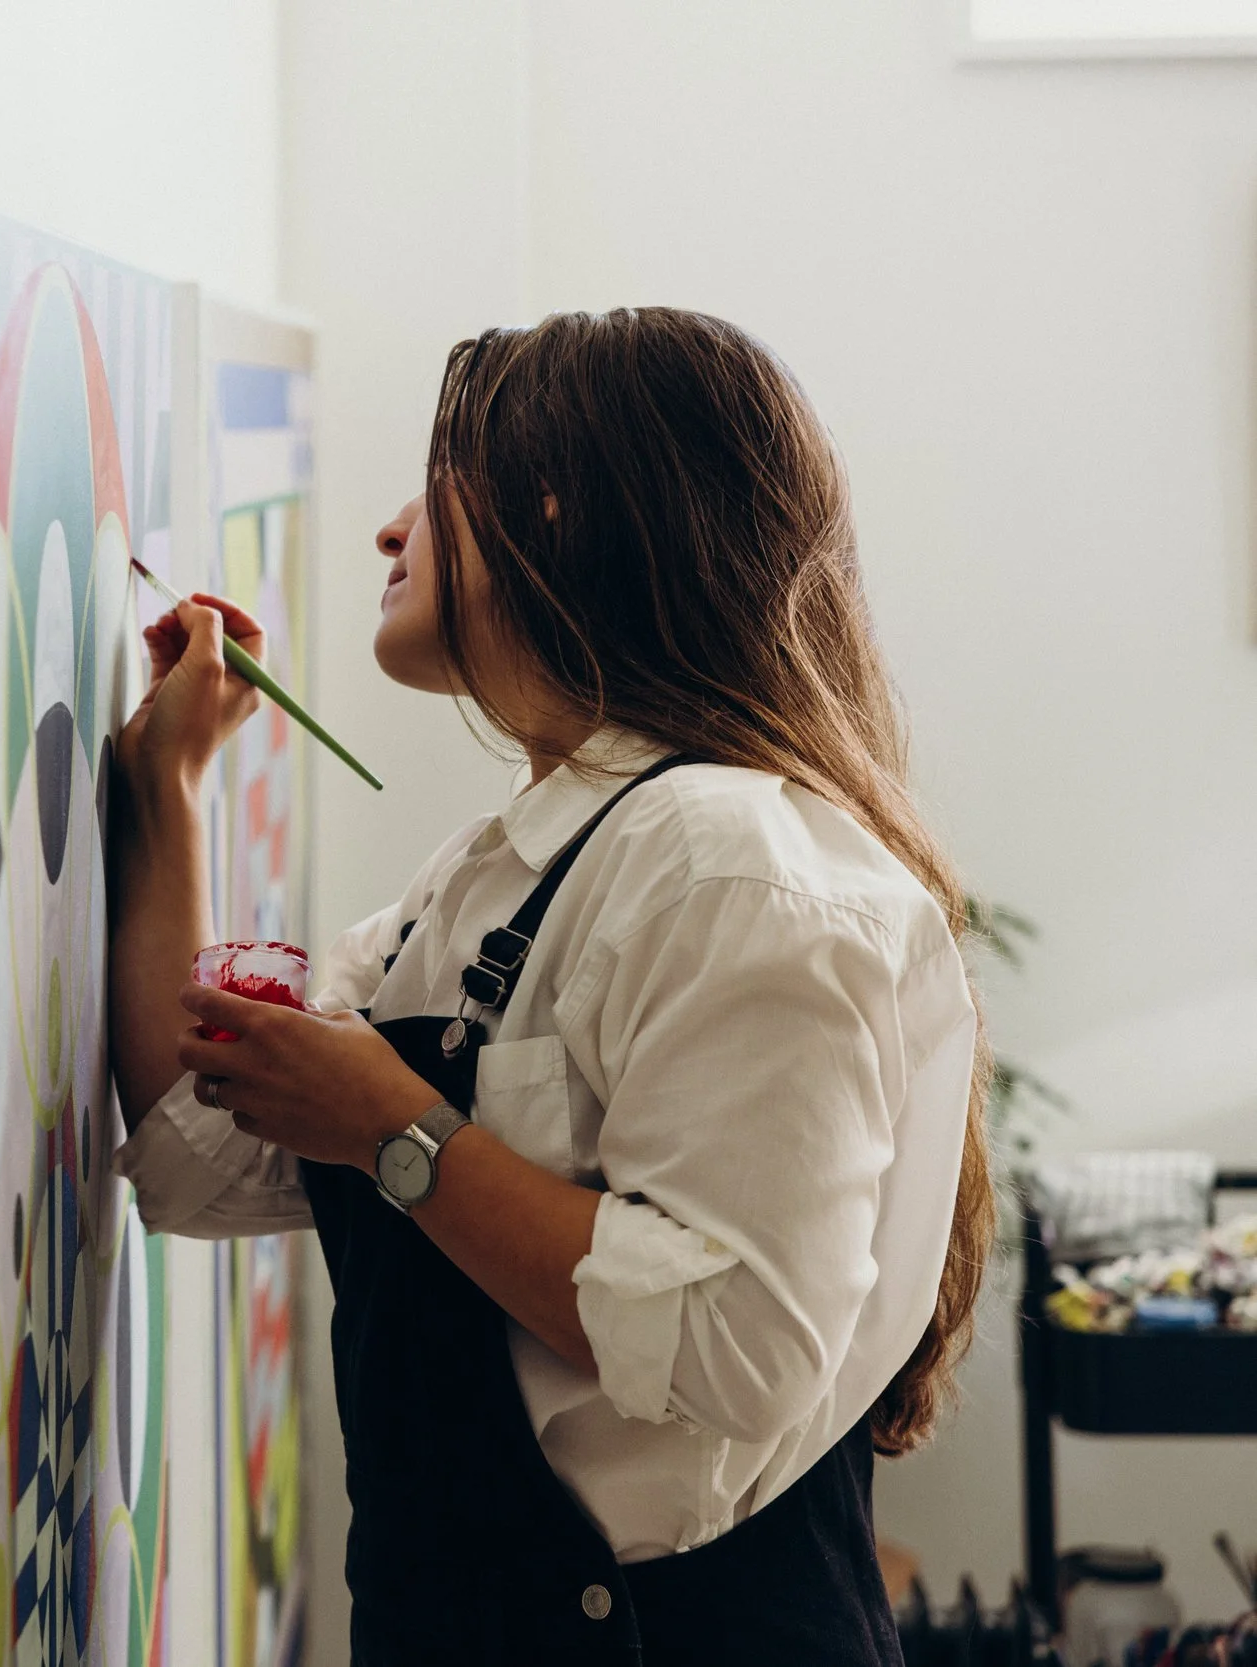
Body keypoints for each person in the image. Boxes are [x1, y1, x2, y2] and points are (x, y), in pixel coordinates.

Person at [107, 307, 990, 1666]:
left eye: (434, 483)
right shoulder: (504, 872)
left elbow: (734, 1344)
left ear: (554, 513)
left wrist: (398, 1131)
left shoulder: (728, 866)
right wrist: (163, 790)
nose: (390, 530)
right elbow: (194, 1158)